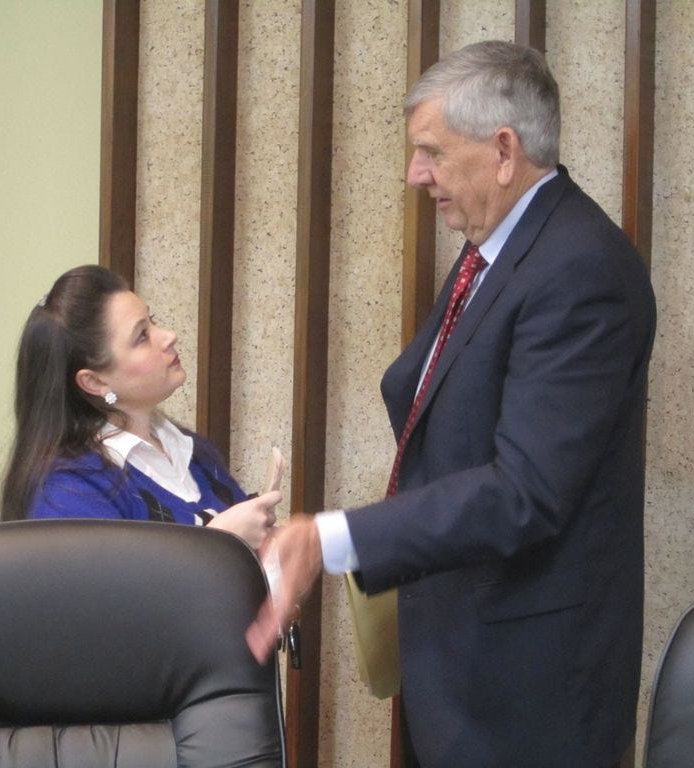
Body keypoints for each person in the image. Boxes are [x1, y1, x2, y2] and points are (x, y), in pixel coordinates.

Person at [247, 41, 656, 768]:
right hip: (462, 664)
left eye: (431, 152)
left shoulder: (579, 268)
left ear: (503, 150)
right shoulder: (497, 248)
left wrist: (332, 538)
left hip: (529, 697)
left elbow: (525, 491)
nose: (415, 175)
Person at [0, 265, 280, 551]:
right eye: (142, 336)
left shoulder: (194, 453)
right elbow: (112, 593)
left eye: (153, 321)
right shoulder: (67, 491)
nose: (169, 336)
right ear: (95, 382)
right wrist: (221, 540)